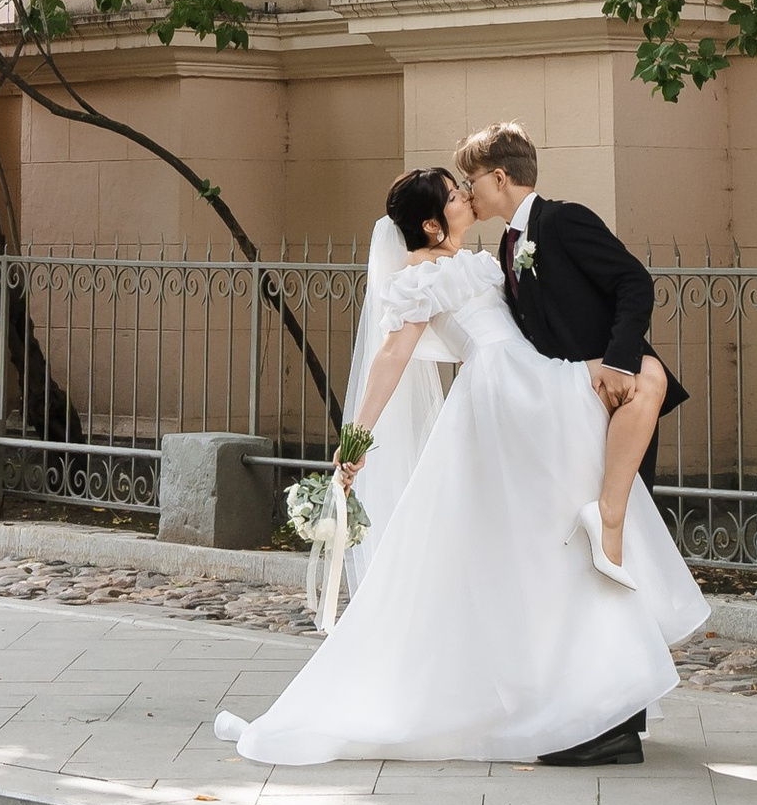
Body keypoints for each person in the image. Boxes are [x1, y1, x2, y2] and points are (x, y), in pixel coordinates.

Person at [213, 164, 706, 772]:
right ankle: (587, 649)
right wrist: (357, 435)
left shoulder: (476, 258)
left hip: (522, 382)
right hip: (508, 390)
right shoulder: (424, 274)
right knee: (635, 393)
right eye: (452, 195)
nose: (464, 196)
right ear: (430, 223)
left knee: (550, 541)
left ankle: (590, 694)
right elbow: (393, 355)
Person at [455, 115, 691, 771]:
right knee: (597, 560)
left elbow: (633, 282)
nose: (468, 193)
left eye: (473, 180)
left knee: (610, 557)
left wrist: (618, 363)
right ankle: (618, 713)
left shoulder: (561, 221)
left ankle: (613, 723)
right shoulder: (508, 245)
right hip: (567, 417)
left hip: (614, 408)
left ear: (501, 176)